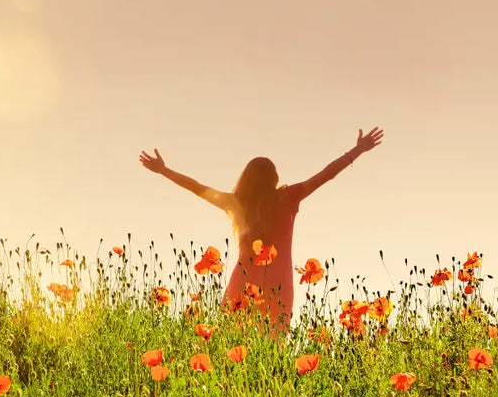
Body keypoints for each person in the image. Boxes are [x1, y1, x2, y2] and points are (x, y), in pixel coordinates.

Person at [138, 127, 384, 337]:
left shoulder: (236, 203)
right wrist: (357, 150)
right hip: (280, 285)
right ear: (274, 178)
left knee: (233, 347)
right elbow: (325, 175)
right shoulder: (288, 197)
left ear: (244, 178)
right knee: (272, 346)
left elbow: (197, 188)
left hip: (242, 283)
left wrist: (164, 170)